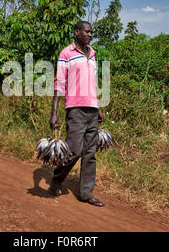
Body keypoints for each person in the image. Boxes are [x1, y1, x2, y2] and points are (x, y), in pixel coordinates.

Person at [49, 20, 105, 207]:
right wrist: (54, 112)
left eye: (91, 32)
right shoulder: (67, 53)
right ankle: (57, 179)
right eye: (87, 32)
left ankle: (86, 193)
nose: (90, 34)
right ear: (76, 32)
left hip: (91, 108)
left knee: (90, 153)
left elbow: (93, 84)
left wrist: (98, 107)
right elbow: (59, 83)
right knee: (73, 150)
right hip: (75, 108)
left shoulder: (93, 54)